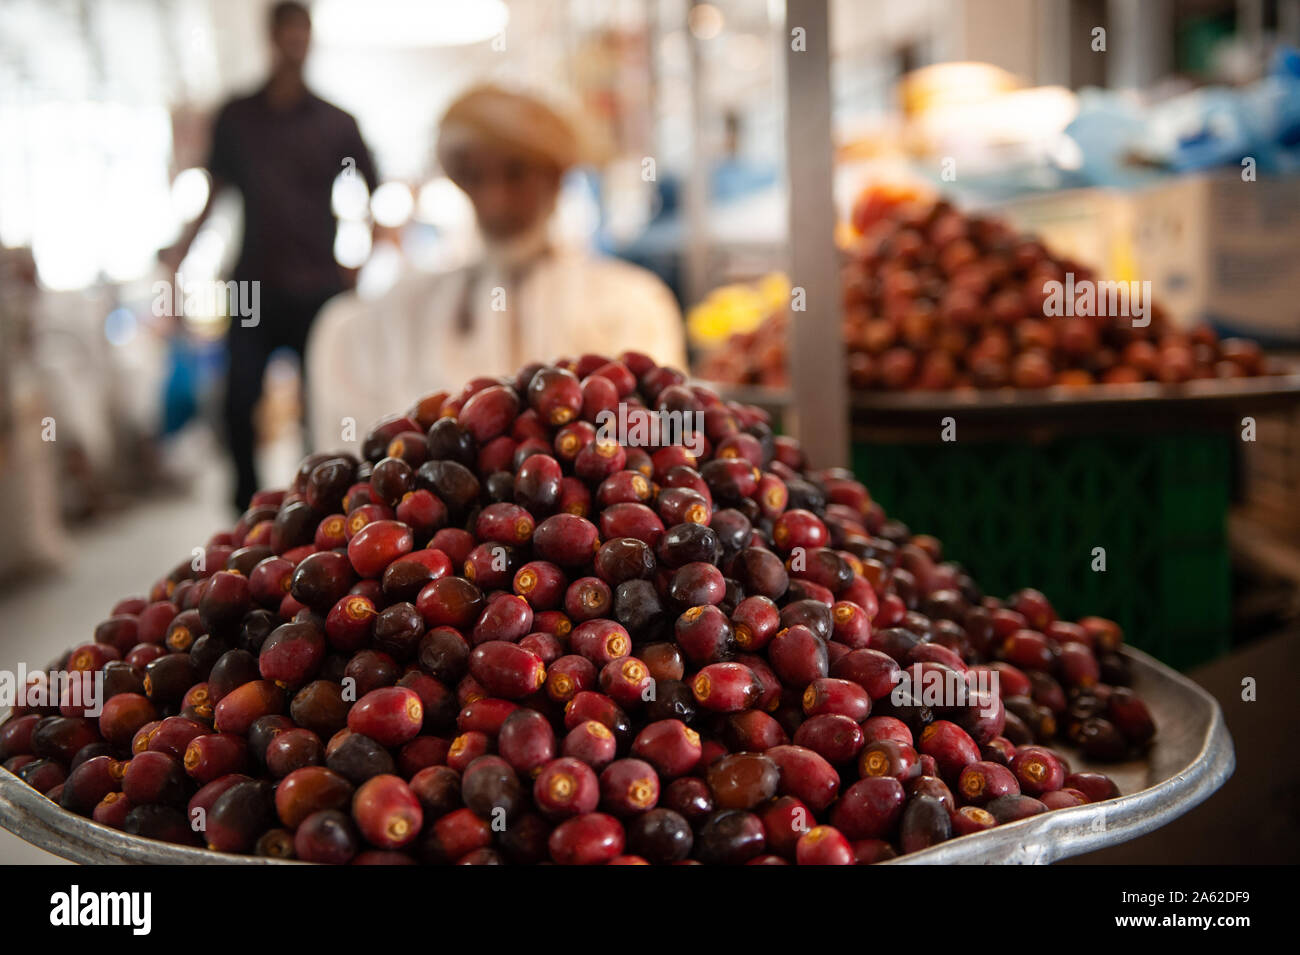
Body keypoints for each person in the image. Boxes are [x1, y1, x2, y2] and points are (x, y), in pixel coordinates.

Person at [306, 84, 686, 452]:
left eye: (516, 173)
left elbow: (657, 435)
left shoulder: (633, 301)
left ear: (554, 179)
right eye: (475, 177)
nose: (496, 202)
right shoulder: (408, 307)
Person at [163, 1, 378, 510]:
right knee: (238, 402)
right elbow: (214, 193)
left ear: (311, 39)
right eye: (287, 33)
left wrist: (358, 264)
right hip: (253, 285)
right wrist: (179, 255)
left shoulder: (336, 123)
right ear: (272, 37)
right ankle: (247, 512)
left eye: (304, 34)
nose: (295, 43)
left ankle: (318, 508)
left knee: (321, 404)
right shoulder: (237, 118)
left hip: (320, 285)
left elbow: (375, 198)